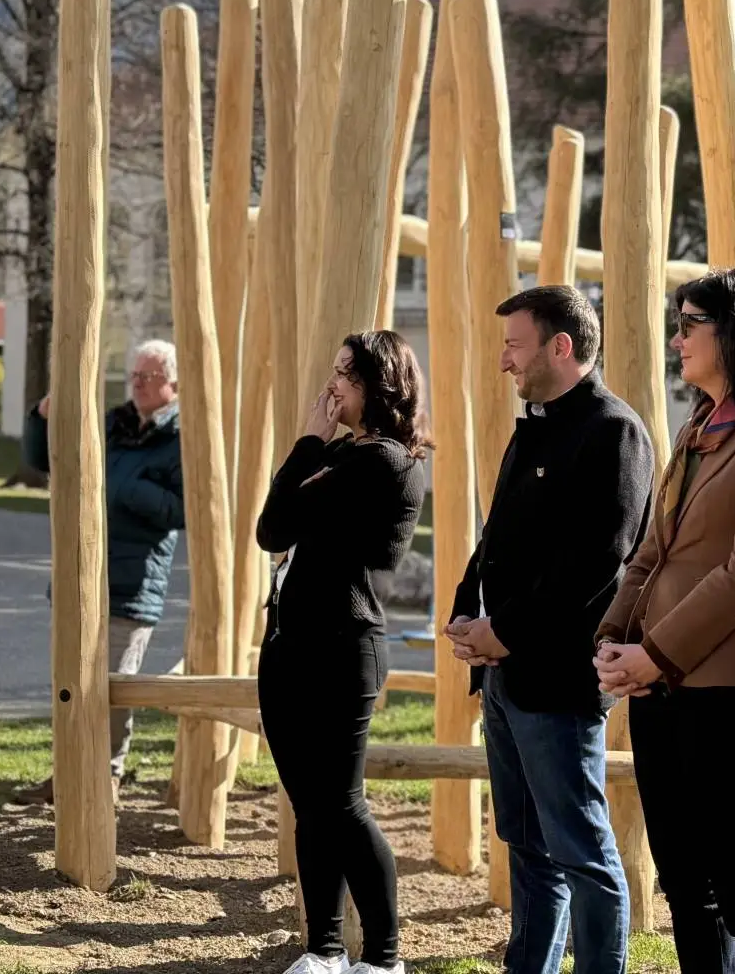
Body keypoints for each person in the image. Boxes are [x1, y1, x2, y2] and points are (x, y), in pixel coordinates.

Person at [594, 267, 735, 974]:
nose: (676, 338)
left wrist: (654, 653)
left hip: (734, 692)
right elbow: (650, 553)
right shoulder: (698, 426)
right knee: (688, 890)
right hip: (663, 691)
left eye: (690, 323)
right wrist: (610, 637)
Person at [443, 285, 653, 974]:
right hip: (505, 678)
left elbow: (595, 565)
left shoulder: (613, 431)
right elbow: (496, 537)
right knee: (529, 850)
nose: (504, 360)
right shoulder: (533, 425)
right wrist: (467, 610)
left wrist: (503, 631)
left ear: (561, 348)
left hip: (558, 683)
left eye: (514, 344)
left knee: (583, 855)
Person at [257, 331, 429, 974]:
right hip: (290, 646)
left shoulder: (382, 460)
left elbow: (273, 527)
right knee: (311, 806)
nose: (331, 386)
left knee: (343, 805)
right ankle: (324, 949)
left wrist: (306, 441)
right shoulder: (343, 455)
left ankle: (383, 960)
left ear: (379, 385)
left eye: (345, 376)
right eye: (333, 372)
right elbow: (274, 529)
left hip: (340, 650)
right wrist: (313, 451)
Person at [18, 340, 185, 801]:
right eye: (134, 375)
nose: (137, 384)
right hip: (79, 576)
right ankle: (66, 774)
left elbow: (183, 509)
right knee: (71, 682)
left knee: (113, 690)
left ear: (172, 383)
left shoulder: (182, 438)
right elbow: (40, 460)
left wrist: (123, 489)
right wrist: (42, 420)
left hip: (133, 584)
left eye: (148, 377)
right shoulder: (113, 423)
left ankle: (107, 777)